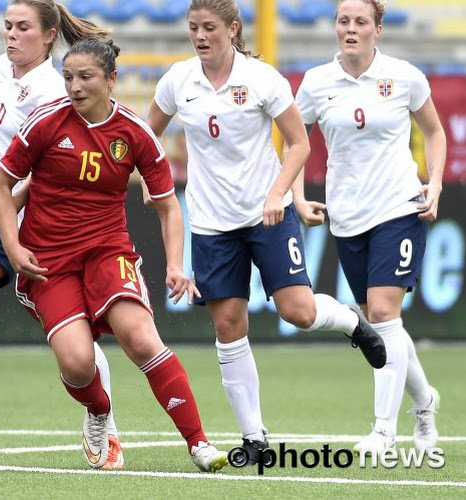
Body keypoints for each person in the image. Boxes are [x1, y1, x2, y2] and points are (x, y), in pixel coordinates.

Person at [145, 0, 387, 465]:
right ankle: (253, 437)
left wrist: (279, 193)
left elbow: (298, 142)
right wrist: (153, 178)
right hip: (213, 223)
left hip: (266, 215)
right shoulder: (178, 80)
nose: (200, 36)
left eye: (209, 28)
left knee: (297, 311)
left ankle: (352, 322)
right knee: (228, 324)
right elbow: (145, 134)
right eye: (193, 27)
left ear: (232, 29)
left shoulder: (262, 79)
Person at [0, 37, 229, 472]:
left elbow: (168, 206)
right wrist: (13, 245)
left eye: (86, 77)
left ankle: (199, 444)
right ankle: (99, 412)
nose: (75, 87)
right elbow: (1, 187)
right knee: (79, 365)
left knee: (141, 338)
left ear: (111, 80)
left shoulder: (136, 133)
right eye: (68, 78)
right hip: (49, 261)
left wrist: (176, 265)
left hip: (108, 251)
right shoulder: (45, 123)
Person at [0, 0, 124, 469]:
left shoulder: (56, 91)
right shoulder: (2, 67)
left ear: (49, 35)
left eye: (22, 28)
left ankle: (106, 425)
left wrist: (13, 204)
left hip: (48, 219)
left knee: (75, 338)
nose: (10, 36)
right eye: (7, 27)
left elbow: (55, 160)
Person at [294, 0, 445, 454]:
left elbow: (435, 132)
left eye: (361, 21)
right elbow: (295, 141)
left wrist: (434, 183)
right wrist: (297, 196)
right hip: (347, 215)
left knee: (382, 312)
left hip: (399, 206)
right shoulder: (316, 83)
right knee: (381, 324)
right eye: (344, 21)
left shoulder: (405, 76)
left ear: (378, 29)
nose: (351, 29)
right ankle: (426, 401)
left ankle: (383, 431)